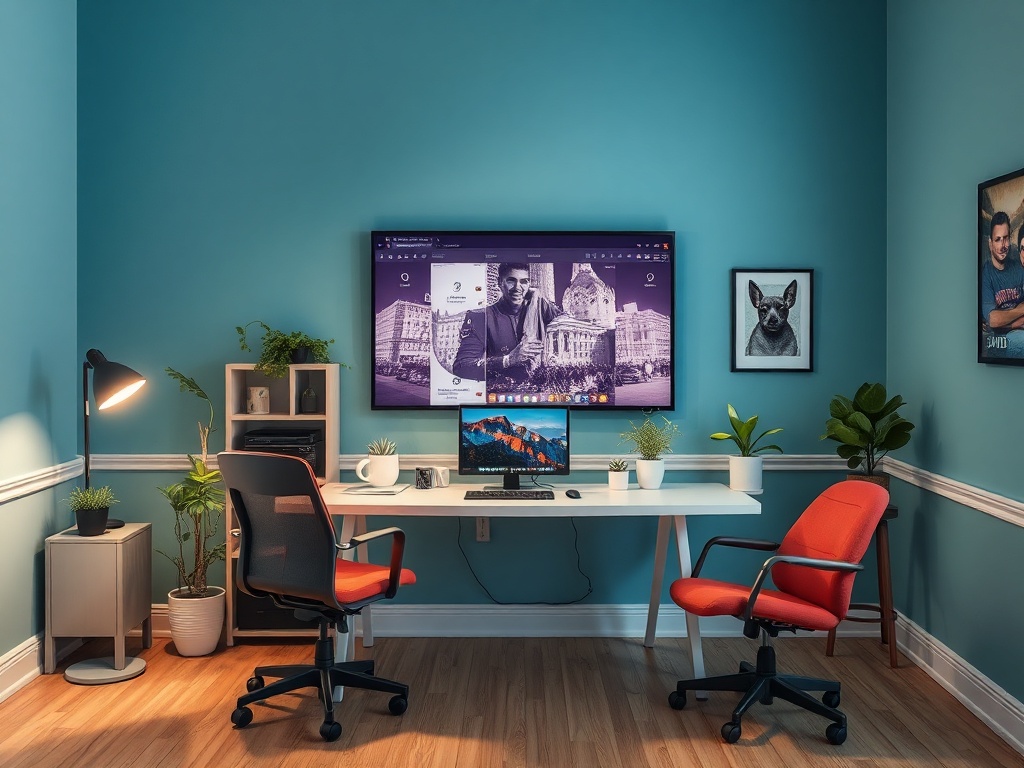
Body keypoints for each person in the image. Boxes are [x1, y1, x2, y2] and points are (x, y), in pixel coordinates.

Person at [452, 262, 563, 384]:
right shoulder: (480, 317)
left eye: (524, 282)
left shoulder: (539, 309)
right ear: (500, 282)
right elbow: (461, 367)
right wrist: (508, 360)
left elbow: (565, 320)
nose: (517, 288)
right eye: (511, 281)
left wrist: (539, 297)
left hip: (540, 395)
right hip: (501, 395)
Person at [980, 211, 1024, 356]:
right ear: (990, 243)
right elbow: (993, 320)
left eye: (1005, 238)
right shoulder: (986, 273)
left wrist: (1004, 321)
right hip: (998, 343)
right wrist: (1016, 317)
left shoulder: (1018, 269)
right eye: (997, 239)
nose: (1003, 245)